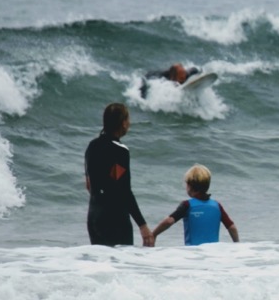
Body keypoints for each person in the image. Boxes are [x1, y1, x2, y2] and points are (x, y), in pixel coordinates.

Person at [85, 103, 154, 246]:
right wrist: (142, 225)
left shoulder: (92, 146)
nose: (129, 123)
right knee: (120, 266)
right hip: (115, 219)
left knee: (99, 265)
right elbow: (124, 191)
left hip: (94, 217)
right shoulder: (120, 151)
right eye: (128, 119)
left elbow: (89, 185)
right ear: (123, 123)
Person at [150, 164, 239, 246]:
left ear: (190, 186)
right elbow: (232, 227)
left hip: (194, 255)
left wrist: (154, 234)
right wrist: (237, 245)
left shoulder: (187, 205)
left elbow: (169, 221)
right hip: (213, 256)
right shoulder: (217, 206)